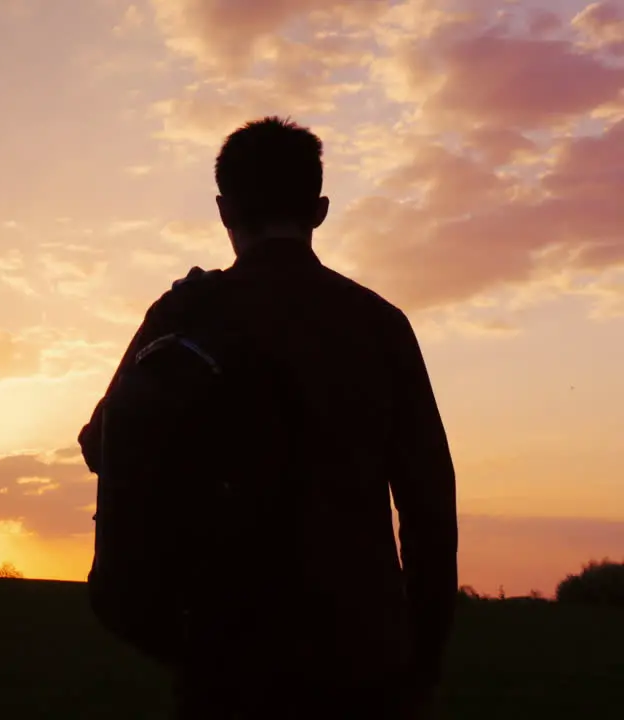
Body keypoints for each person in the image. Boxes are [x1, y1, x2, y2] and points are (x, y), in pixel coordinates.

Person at [78, 116, 459, 719]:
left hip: (222, 652)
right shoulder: (380, 325)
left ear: (225, 210)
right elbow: (429, 506)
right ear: (320, 209)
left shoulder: (188, 313)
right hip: (362, 656)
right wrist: (424, 657)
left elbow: (102, 443)